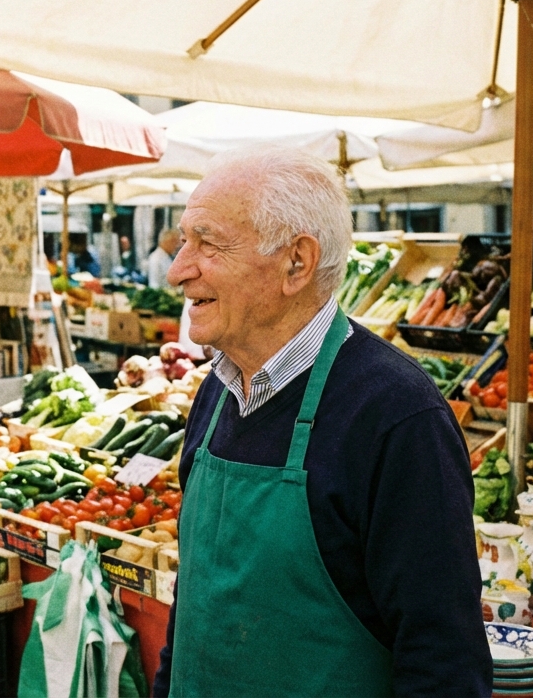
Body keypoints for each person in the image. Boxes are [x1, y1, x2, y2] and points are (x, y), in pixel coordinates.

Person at [155, 146, 490, 697]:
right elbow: (193, 606)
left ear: (296, 263)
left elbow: (443, 659)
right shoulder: (216, 392)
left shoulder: (397, 415)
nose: (177, 270)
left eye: (208, 243)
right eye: (184, 240)